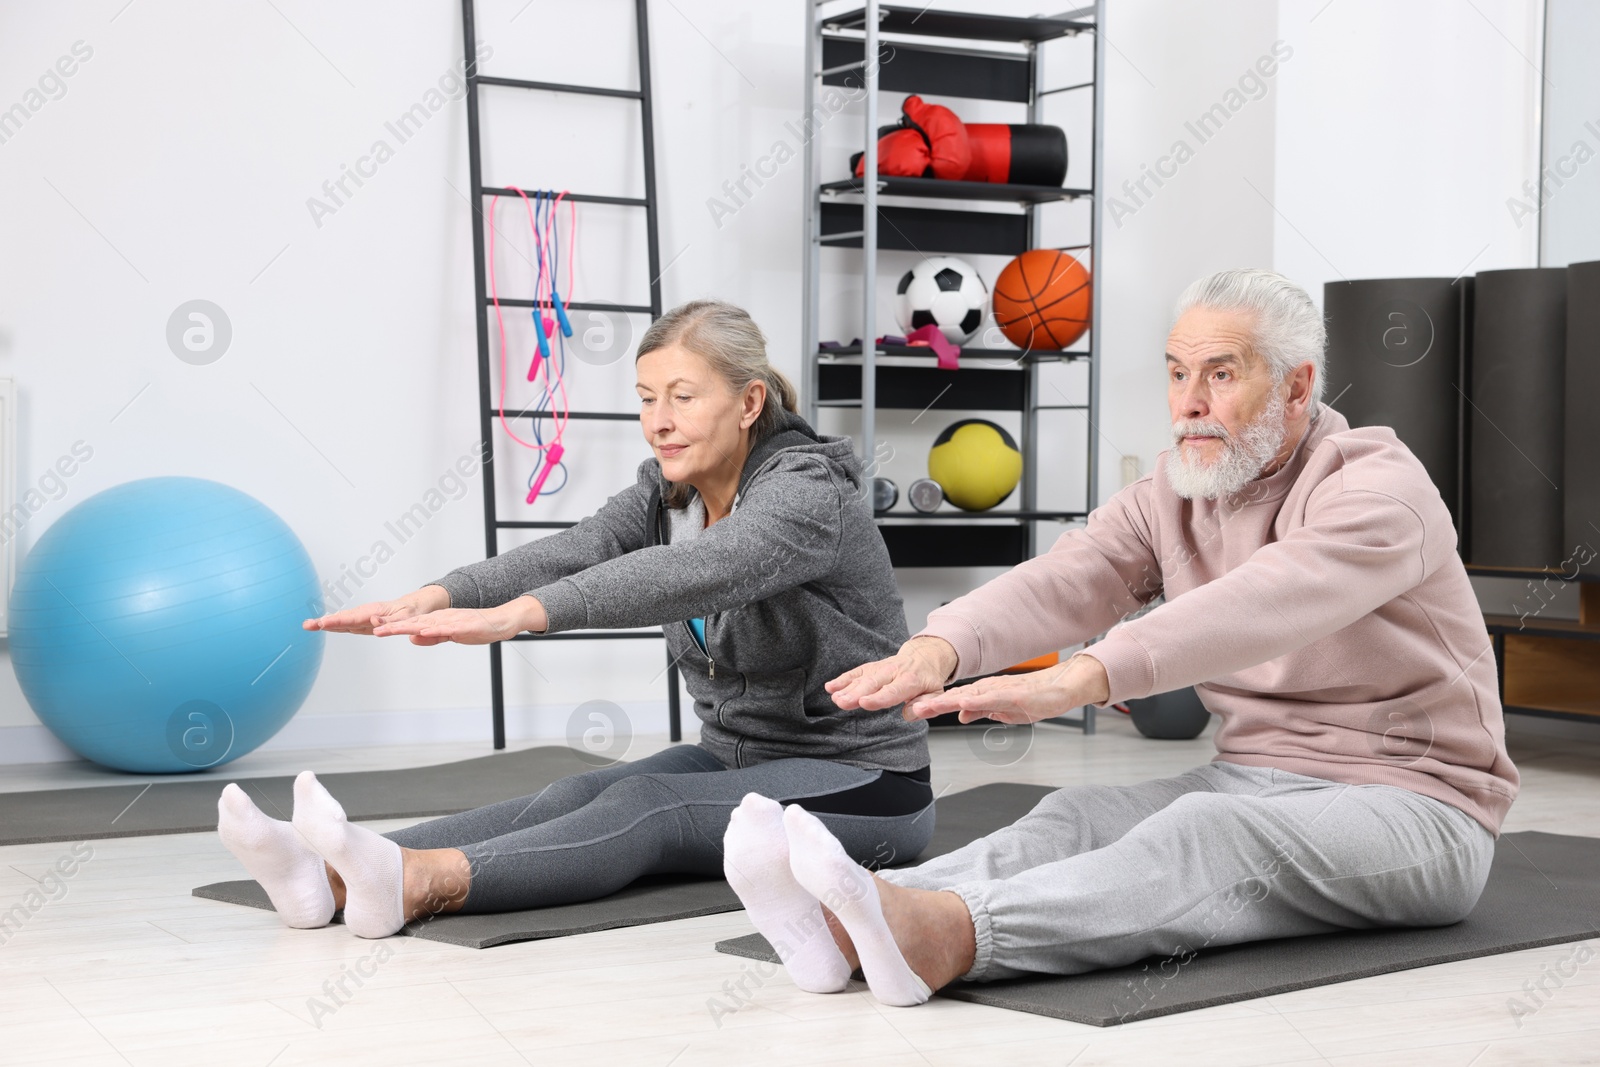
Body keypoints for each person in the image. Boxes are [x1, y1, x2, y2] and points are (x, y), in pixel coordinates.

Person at [723, 268, 1519, 1009]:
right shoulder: (1175, 491)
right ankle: (845, 919)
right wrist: (942, 645)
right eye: (1177, 373)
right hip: (1251, 777)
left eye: (1221, 373)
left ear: (1297, 385)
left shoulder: (1381, 489)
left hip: (1422, 809)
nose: (1188, 403)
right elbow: (1076, 575)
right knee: (1075, 815)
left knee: (1205, 837)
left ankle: (946, 934)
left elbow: (1262, 603)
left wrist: (1085, 676)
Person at [215, 299, 932, 950]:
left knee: (648, 804)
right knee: (572, 793)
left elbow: (691, 572)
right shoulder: (669, 491)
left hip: (864, 781)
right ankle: (326, 870)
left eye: (684, 397)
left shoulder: (805, 496)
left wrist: (519, 617)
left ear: (749, 402)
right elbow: (577, 549)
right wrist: (436, 594)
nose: (660, 420)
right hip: (737, 758)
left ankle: (415, 880)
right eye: (648, 399)